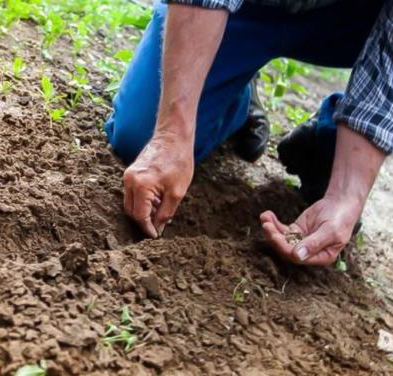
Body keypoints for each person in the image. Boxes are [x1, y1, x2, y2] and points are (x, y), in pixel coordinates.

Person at [105, 0, 392, 265]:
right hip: (245, 8)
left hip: (353, 18)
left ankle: (330, 137)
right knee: (140, 136)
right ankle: (233, 96)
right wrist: (172, 133)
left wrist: (346, 196)